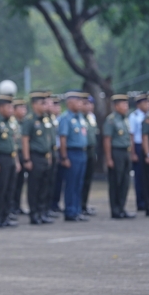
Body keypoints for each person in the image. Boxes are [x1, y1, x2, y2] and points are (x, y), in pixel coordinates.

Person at [20, 91, 54, 225]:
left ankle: (42, 212)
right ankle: (34, 213)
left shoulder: (46, 120)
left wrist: (49, 155)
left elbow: (48, 139)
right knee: (34, 187)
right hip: (35, 156)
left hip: (45, 156)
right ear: (34, 105)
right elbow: (25, 140)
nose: (45, 106)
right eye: (42, 103)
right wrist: (27, 159)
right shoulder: (29, 120)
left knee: (44, 186)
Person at [0, 94, 20, 228]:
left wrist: (17, 161)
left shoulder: (10, 122)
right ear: (0, 107)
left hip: (11, 157)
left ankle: (6, 216)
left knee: (10, 189)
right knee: (1, 188)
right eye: (8, 107)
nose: (11, 109)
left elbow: (14, 143)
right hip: (1, 158)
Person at [102, 94, 136, 219]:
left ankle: (122, 208)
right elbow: (107, 140)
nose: (126, 107)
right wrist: (109, 158)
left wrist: (132, 153)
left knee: (125, 182)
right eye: (123, 104)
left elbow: (129, 138)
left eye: (127, 104)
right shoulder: (111, 120)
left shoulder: (125, 119)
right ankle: (115, 210)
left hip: (126, 153)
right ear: (116, 106)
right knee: (116, 181)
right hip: (116, 153)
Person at [59, 91, 89, 222]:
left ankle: (77, 209)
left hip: (82, 152)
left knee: (79, 183)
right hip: (72, 152)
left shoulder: (80, 117)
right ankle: (70, 211)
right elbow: (63, 139)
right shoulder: (66, 118)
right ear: (70, 103)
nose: (80, 104)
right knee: (71, 184)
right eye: (78, 101)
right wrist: (64, 157)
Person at [129, 93, 149, 212]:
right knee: (139, 176)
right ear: (138, 104)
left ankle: (148, 200)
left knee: (148, 176)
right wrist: (133, 153)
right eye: (145, 103)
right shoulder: (134, 116)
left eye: (148, 102)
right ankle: (140, 202)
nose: (147, 105)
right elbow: (131, 135)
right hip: (137, 146)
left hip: (148, 147)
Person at [80, 95, 98, 216]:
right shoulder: (79, 118)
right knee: (80, 180)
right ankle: (78, 205)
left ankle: (84, 205)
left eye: (90, 104)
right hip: (82, 150)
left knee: (87, 180)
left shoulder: (92, 117)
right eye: (86, 104)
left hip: (91, 150)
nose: (89, 106)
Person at [11, 99, 28, 216]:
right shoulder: (12, 123)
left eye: (24, 108)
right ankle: (11, 206)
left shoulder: (24, 123)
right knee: (13, 182)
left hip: (22, 153)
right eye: (20, 108)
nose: (24, 110)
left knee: (20, 182)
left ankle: (17, 205)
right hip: (14, 154)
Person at [49, 95, 65, 215]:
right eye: (54, 105)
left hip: (59, 150)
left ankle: (55, 203)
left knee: (59, 179)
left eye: (58, 105)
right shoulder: (48, 120)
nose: (57, 108)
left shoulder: (60, 119)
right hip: (50, 151)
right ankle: (49, 205)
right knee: (50, 180)